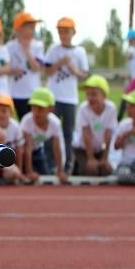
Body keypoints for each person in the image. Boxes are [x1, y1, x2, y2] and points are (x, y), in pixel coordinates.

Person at [43, 17, 89, 174]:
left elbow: (84, 75)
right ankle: (50, 164)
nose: (63, 35)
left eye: (66, 31)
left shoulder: (80, 51)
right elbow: (47, 71)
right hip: (53, 97)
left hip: (70, 98)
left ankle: (68, 165)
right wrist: (59, 63)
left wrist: (74, 71)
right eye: (60, 31)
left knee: (68, 133)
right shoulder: (53, 49)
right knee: (50, 131)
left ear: (73, 32)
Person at [20, 88, 67, 184]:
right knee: (31, 176)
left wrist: (60, 170)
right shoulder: (27, 121)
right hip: (21, 153)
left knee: (46, 175)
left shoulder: (55, 123)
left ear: (51, 109)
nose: (36, 112)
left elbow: (57, 148)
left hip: (38, 151)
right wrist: (29, 171)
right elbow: (27, 148)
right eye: (34, 107)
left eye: (40, 108)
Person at [72, 75, 116, 177]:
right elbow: (86, 135)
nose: (90, 98)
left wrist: (105, 158)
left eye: (94, 94)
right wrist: (91, 158)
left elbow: (108, 134)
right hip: (82, 149)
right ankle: (77, 165)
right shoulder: (83, 109)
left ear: (104, 95)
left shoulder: (111, 108)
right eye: (87, 94)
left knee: (106, 171)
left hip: (99, 149)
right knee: (90, 171)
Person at [6, 12, 44, 120]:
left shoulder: (37, 45)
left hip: (34, 93)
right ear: (19, 29)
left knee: (35, 122)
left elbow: (36, 68)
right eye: (29, 26)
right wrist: (12, 70)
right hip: (16, 93)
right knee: (22, 122)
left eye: (33, 26)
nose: (33, 29)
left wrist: (26, 50)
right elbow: (4, 68)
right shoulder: (9, 47)